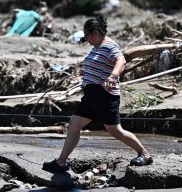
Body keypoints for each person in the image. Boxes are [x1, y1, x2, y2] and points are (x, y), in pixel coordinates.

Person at [42, 16, 153, 173]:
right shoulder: (97, 47)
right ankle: (61, 162)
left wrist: (113, 76)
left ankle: (145, 154)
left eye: (86, 36)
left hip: (105, 96)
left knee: (115, 131)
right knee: (74, 126)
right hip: (91, 97)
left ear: (94, 32)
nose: (86, 39)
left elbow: (121, 60)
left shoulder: (109, 46)